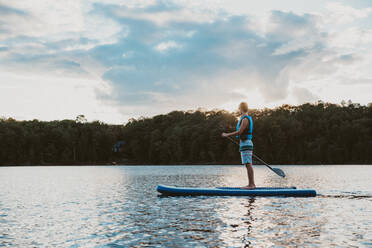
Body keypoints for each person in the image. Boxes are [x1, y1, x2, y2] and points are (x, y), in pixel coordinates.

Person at [222, 102, 255, 189]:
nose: (238, 110)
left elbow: (240, 132)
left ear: (241, 108)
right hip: (244, 143)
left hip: (246, 143)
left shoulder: (245, 119)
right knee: (247, 164)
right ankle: (251, 184)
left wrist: (227, 134)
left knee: (248, 164)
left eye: (239, 108)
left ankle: (252, 185)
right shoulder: (245, 118)